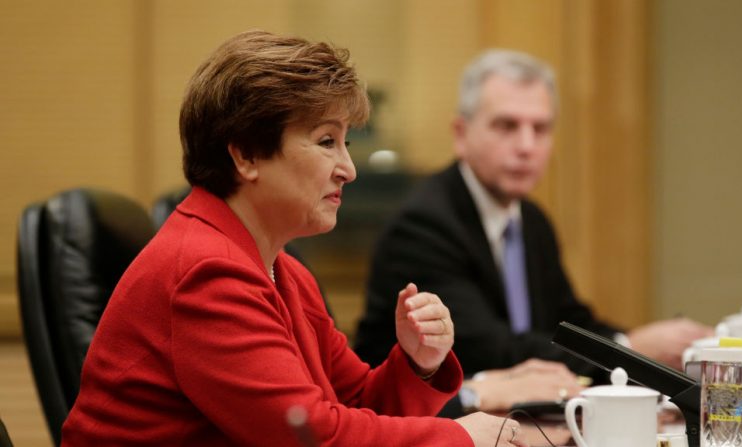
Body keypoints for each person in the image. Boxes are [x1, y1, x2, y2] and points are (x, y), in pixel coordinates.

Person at [61, 31, 528, 446]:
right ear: (246, 154)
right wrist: (460, 438)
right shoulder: (207, 273)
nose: (349, 168)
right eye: (327, 141)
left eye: (346, 142)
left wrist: (418, 363)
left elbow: (357, 403)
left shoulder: (282, 269)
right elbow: (311, 437)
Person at [355, 49, 712, 399]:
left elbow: (570, 325)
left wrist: (651, 350)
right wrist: (628, 348)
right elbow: (490, 350)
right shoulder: (425, 225)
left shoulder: (530, 219)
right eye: (507, 126)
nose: (526, 146)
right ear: (461, 134)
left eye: (540, 128)